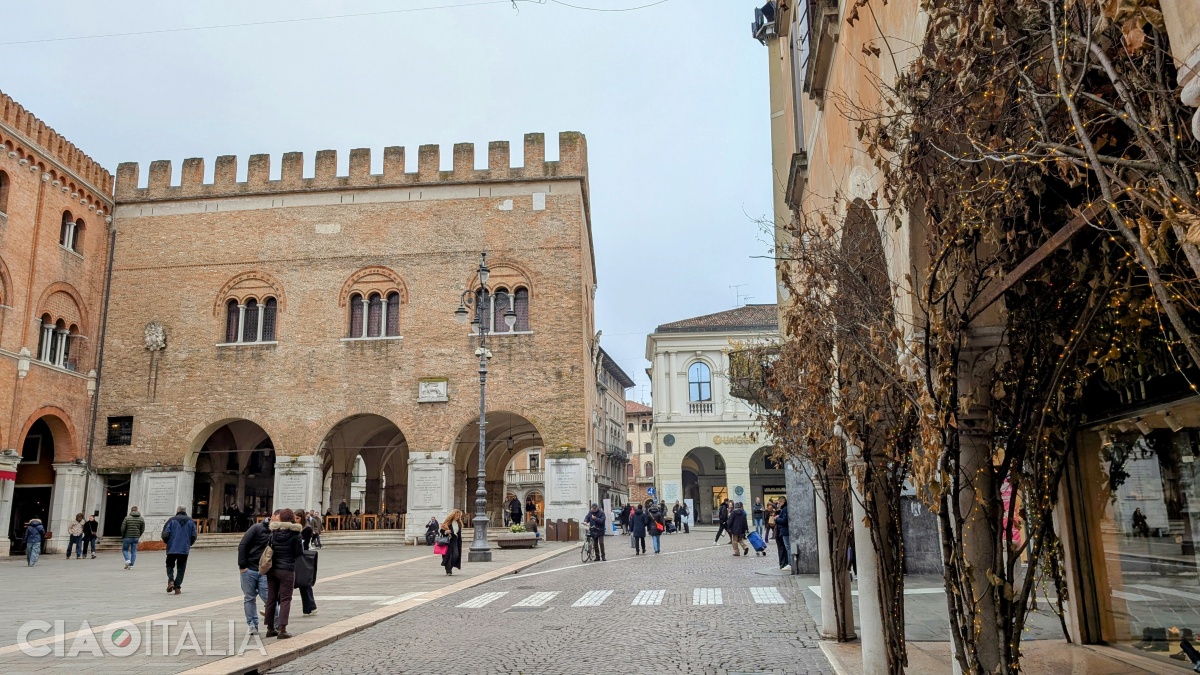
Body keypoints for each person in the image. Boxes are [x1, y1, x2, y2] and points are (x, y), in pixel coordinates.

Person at [264, 508, 303, 640]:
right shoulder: (295, 534)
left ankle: (270, 628)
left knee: (271, 598)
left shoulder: (273, 532)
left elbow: (269, 548)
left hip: (272, 568)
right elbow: (299, 553)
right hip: (287, 569)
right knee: (286, 598)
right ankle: (282, 629)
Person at [237, 511, 272, 635]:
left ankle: (275, 622)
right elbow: (243, 545)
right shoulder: (257, 528)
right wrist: (242, 566)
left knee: (268, 597)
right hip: (250, 568)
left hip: (265, 570)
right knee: (249, 597)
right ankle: (252, 624)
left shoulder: (279, 531)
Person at [162, 506, 197, 594]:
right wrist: (189, 544)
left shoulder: (171, 520)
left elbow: (165, 534)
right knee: (181, 568)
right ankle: (177, 587)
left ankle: (171, 580)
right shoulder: (191, 521)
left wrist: (168, 542)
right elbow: (194, 535)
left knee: (169, 565)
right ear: (185, 511)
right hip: (184, 548)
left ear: (177, 511)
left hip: (172, 548)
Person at [294, 510, 318, 617]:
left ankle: (310, 607)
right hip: (292, 557)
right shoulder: (292, 528)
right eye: (295, 518)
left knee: (304, 583)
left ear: (302, 518)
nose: (296, 520)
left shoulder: (307, 529)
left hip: (302, 556)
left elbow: (305, 543)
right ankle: (274, 608)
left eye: (298, 518)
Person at [440, 509, 465, 575]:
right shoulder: (448, 523)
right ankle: (448, 570)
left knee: (456, 555)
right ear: (453, 515)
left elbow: (458, 534)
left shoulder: (459, 523)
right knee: (448, 556)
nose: (458, 517)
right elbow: (441, 531)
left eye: (459, 515)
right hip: (448, 542)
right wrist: (446, 532)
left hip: (455, 541)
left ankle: (450, 567)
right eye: (457, 515)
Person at [775, 496, 791, 571]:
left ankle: (790, 564)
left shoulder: (785, 509)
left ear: (782, 502)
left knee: (788, 547)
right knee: (787, 547)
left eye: (779, 503)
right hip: (784, 530)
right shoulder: (784, 509)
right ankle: (789, 563)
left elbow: (784, 520)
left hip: (784, 530)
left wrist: (777, 518)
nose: (778, 504)